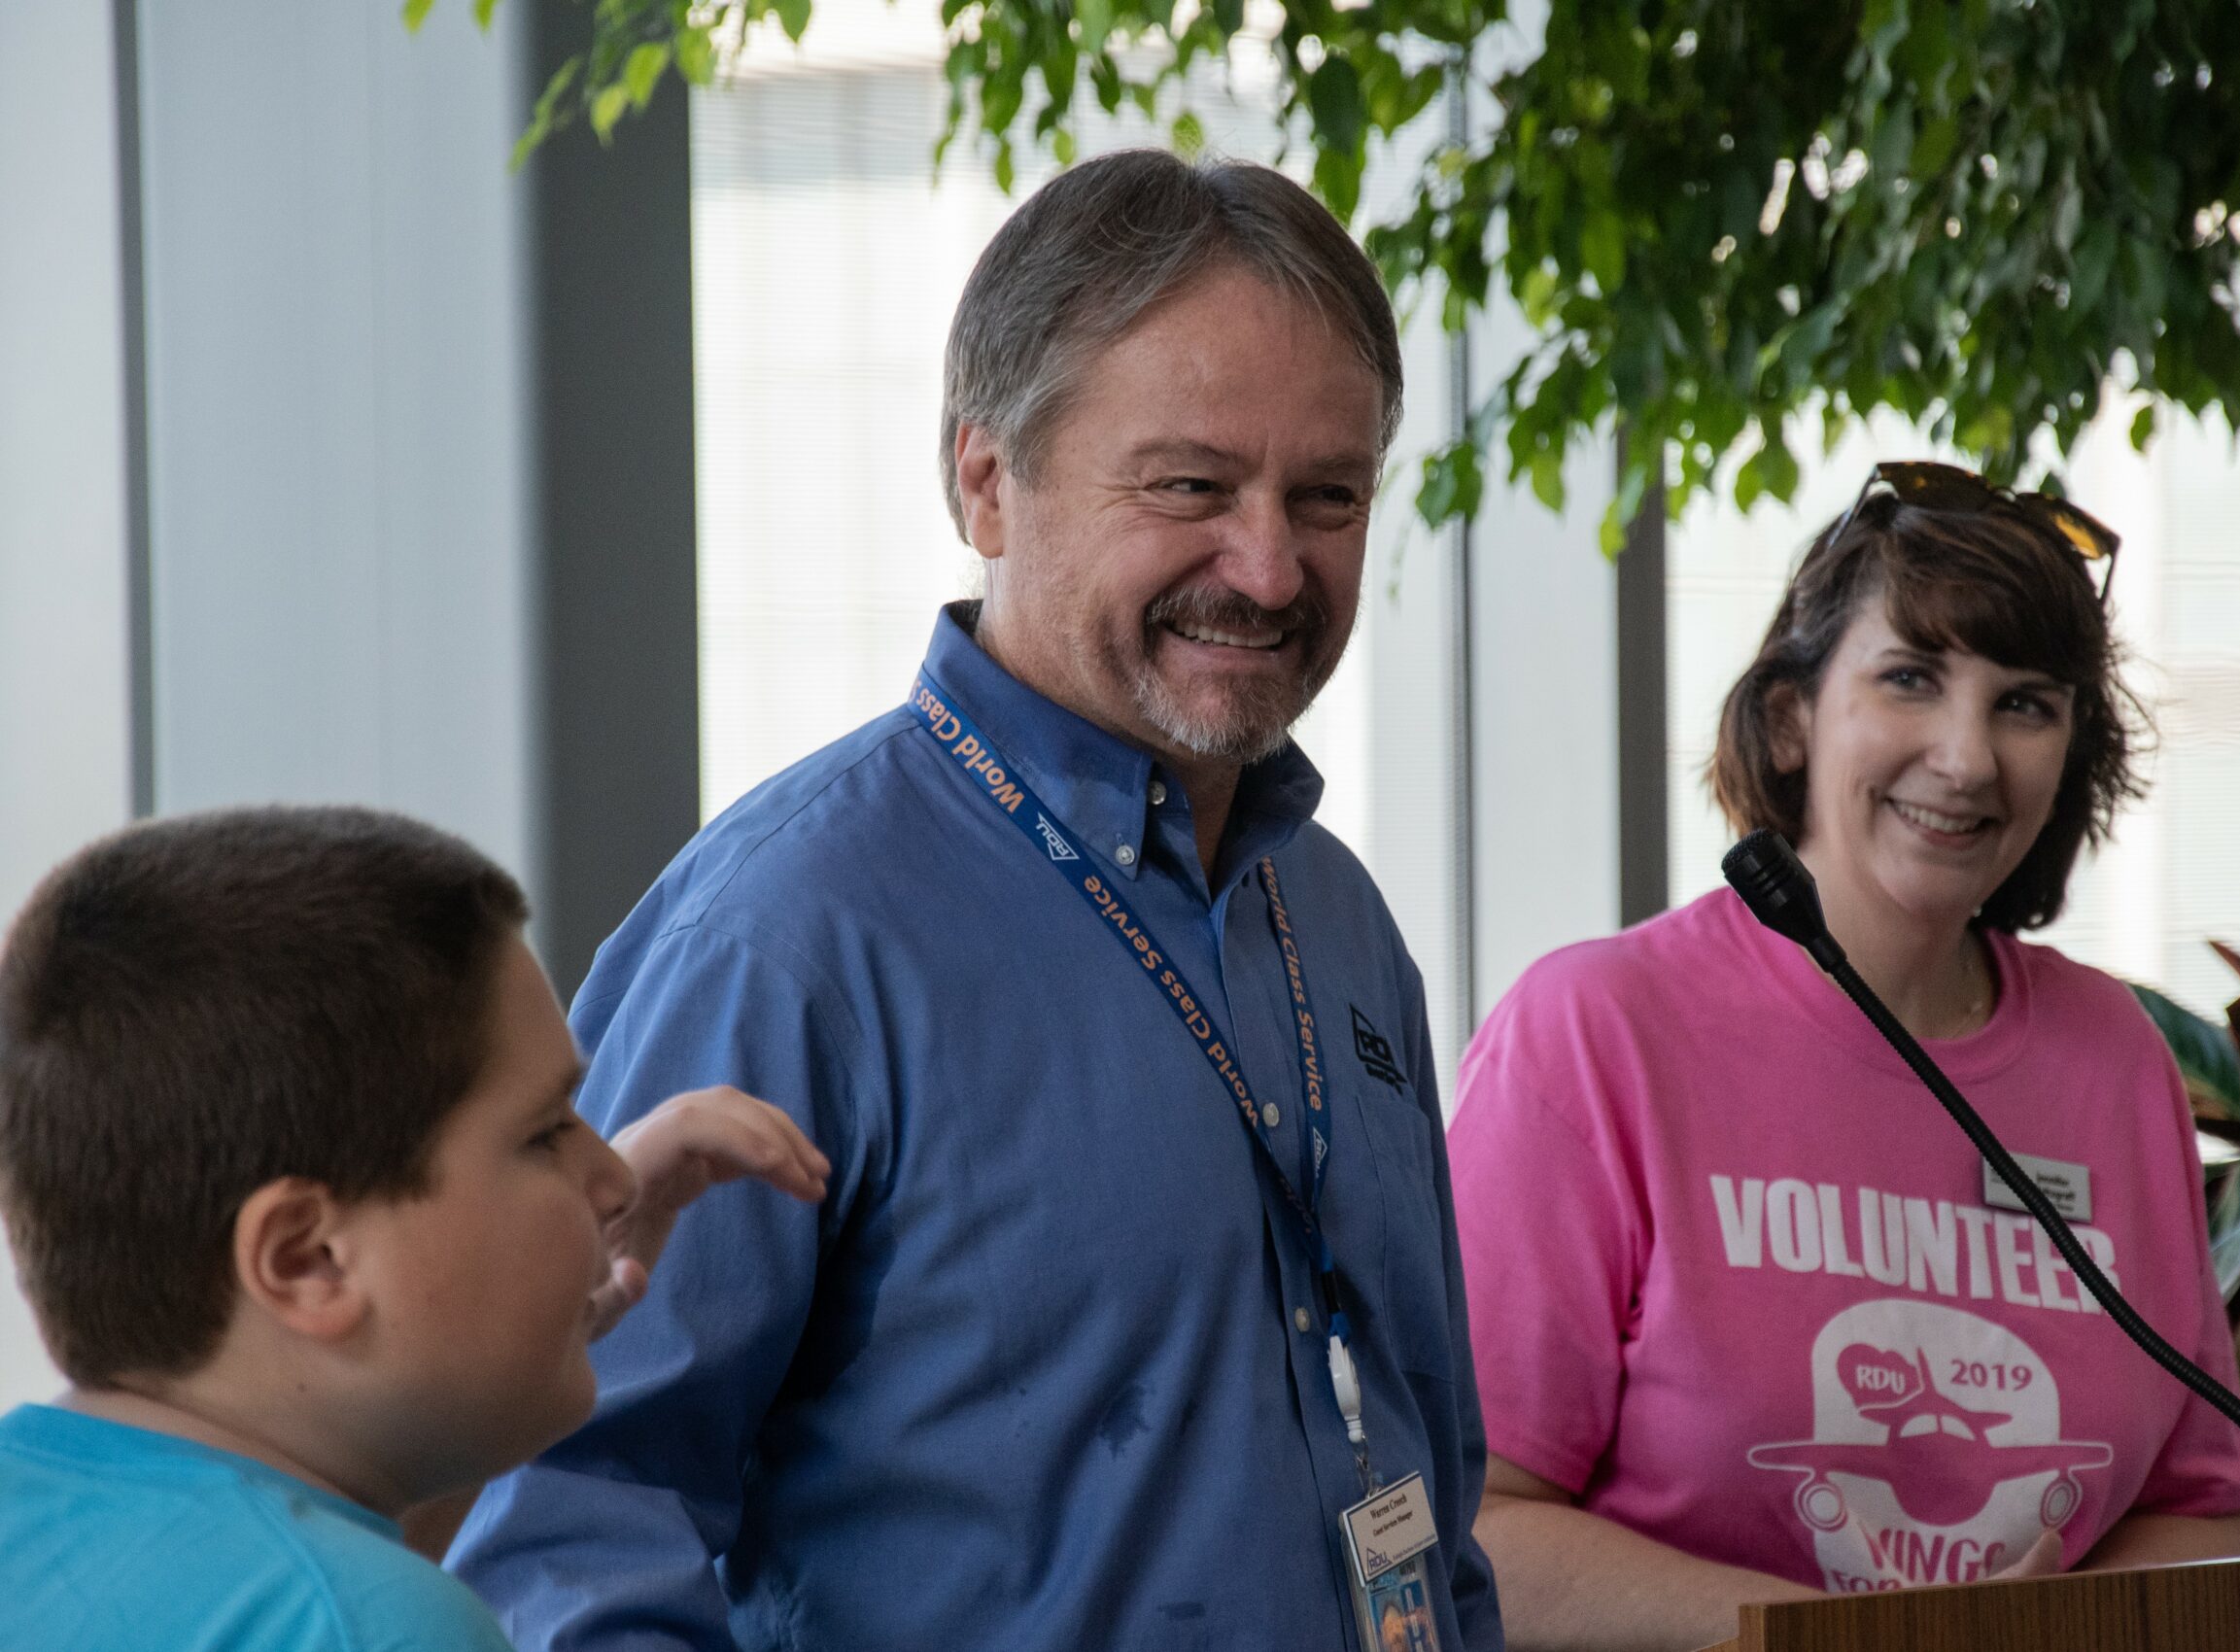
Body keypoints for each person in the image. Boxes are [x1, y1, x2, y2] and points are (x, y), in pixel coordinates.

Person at [448, 149, 1501, 1651]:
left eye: (1326, 496)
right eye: (1189, 487)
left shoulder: (1334, 921)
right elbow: (571, 1528)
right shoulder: (783, 940)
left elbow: (1429, 1487)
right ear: (986, 484)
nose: (1270, 570)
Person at [1446, 464, 2240, 1650]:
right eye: (1910, 678)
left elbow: (2208, 1511)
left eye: (2025, 703)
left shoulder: (2117, 1060)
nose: (1967, 756)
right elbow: (1472, 1532)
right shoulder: (1595, 1030)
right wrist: (1858, 1640)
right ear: (1792, 718)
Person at [0, 806, 829, 1652]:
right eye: (546, 1132)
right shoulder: (378, 1627)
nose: (616, 1179)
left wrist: (554, 1318)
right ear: (308, 1258)